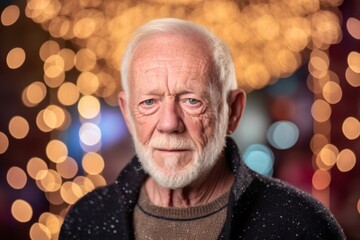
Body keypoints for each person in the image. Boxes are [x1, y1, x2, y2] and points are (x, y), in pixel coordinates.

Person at [59, 18, 345, 239]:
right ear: (127, 113)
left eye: (192, 100)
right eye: (149, 102)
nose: (170, 123)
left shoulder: (303, 226)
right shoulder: (86, 220)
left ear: (233, 112)